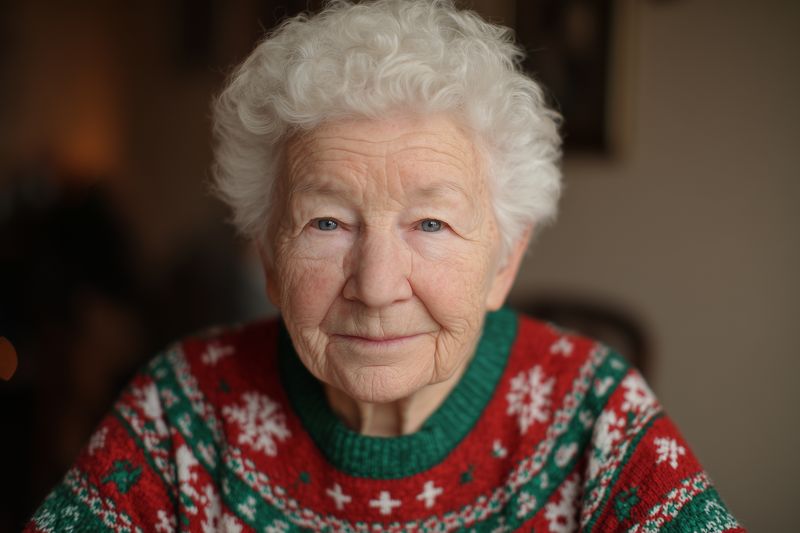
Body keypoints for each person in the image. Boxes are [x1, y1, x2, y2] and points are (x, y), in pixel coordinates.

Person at [26, 1, 744, 531]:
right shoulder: (179, 409)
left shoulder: (597, 412)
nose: (374, 287)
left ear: (505, 261)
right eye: (327, 223)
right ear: (268, 257)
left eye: (431, 223)